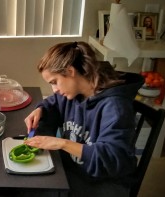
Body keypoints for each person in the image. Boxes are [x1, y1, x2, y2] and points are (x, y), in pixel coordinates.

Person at [23, 41, 144, 197]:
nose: (55, 90)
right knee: (27, 182)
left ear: (70, 71)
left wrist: (62, 143)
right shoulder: (74, 93)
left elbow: (113, 159)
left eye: (54, 82)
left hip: (104, 183)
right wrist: (40, 109)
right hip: (74, 169)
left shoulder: (115, 107)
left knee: (31, 189)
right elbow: (52, 103)